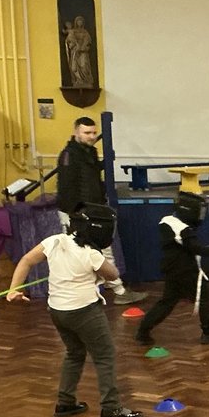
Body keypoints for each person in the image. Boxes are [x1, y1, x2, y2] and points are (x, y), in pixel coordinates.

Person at [5, 204, 142, 417]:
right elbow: (113, 274)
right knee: (104, 355)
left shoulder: (55, 241)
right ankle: (111, 408)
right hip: (85, 312)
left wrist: (14, 289)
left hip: (58, 312)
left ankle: (65, 402)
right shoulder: (91, 255)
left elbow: (26, 260)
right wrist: (99, 262)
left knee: (75, 353)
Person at [55, 116, 146, 305]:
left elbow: (92, 179)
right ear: (76, 132)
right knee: (75, 255)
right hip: (79, 212)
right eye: (87, 132)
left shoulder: (89, 152)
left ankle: (118, 291)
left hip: (92, 209)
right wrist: (76, 213)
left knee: (102, 251)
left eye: (94, 132)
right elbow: (66, 186)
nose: (91, 136)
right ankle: (114, 291)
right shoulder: (69, 155)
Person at [135, 191, 209, 346]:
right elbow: (197, 248)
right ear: (189, 210)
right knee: (205, 299)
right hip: (184, 271)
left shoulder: (167, 221)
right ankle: (208, 333)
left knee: (167, 302)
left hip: (173, 270)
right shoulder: (181, 229)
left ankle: (143, 331)